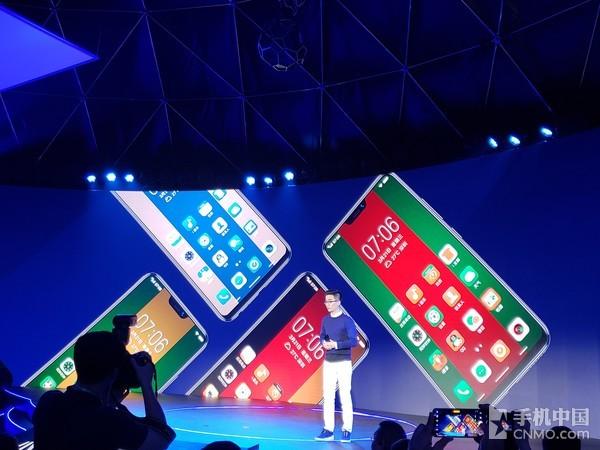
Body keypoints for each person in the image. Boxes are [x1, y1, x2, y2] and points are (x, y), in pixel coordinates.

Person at [33, 331, 175, 450]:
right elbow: (160, 439)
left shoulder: (49, 401)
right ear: (113, 374)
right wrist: (146, 384)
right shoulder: (111, 421)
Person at [314, 289, 358, 443]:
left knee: (345, 396)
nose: (327, 304)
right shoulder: (325, 320)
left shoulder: (347, 320)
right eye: (326, 301)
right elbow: (322, 335)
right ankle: (328, 430)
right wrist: (323, 342)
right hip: (329, 362)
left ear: (338, 302)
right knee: (328, 396)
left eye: (330, 301)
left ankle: (347, 430)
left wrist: (336, 345)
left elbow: (354, 341)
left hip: (343, 362)